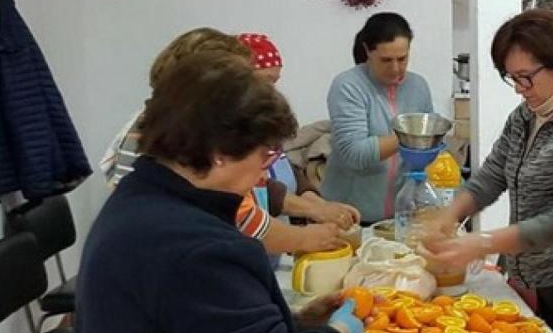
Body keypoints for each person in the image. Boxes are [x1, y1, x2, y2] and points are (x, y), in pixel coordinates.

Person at [77, 50, 364, 333]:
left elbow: (199, 332)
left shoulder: (139, 200)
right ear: (219, 153)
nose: (264, 173)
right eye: (264, 155)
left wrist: (289, 324)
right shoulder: (194, 247)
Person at [422, 9, 553, 333]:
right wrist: (451, 213)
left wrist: (482, 242)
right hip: (527, 271)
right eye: (511, 77)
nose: (518, 88)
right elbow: (493, 174)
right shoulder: (526, 116)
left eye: (525, 77)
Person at [100, 28, 349, 255]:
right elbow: (240, 220)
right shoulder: (159, 148)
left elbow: (256, 191)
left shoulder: (183, 139)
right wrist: (304, 237)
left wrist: (310, 204)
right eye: (244, 84)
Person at [235, 32, 361, 230]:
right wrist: (313, 215)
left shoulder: (264, 124)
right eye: (265, 81)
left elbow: (285, 171)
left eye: (275, 82)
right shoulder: (229, 138)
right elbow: (262, 193)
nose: (272, 91)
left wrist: (321, 205)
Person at [321, 13, 433, 224]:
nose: (396, 68)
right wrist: (413, 136)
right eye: (386, 60)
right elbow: (355, 153)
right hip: (349, 217)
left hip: (402, 216)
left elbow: (429, 147)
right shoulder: (348, 86)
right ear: (367, 51)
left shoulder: (418, 86)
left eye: (402, 59)